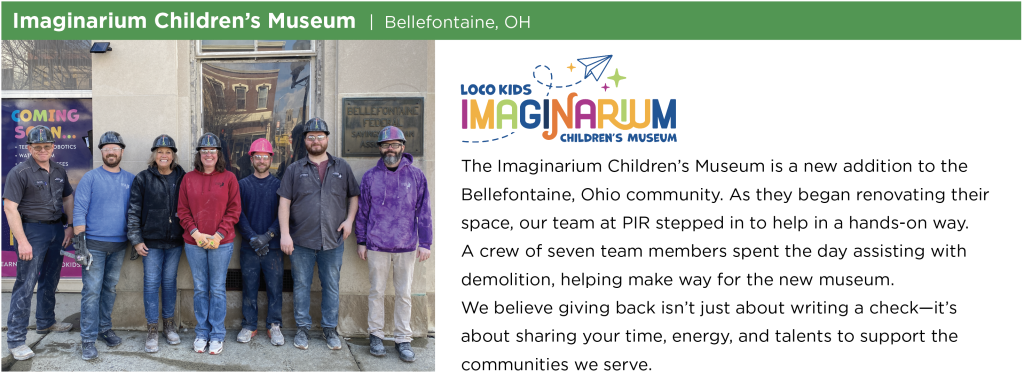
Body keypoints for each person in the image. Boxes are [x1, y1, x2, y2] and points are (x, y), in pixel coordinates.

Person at [277, 118, 359, 350]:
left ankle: (329, 329)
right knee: (301, 285)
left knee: (331, 285)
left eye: (320, 136)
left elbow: (354, 196)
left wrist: (349, 221)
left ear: (327, 139)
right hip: (300, 241)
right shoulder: (294, 169)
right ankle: (302, 329)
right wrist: (285, 234)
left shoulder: (341, 167)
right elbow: (284, 203)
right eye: (311, 137)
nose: (315, 140)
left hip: (333, 240)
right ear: (305, 141)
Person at [355, 126, 433, 362]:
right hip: (376, 245)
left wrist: (425, 242)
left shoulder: (416, 176)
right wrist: (361, 241)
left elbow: (424, 211)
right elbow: (363, 212)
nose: (390, 148)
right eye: (386, 145)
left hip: (407, 245)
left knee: (404, 294)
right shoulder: (370, 177)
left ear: (403, 147)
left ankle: (402, 338)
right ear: (380, 148)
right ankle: (376, 335)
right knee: (376, 292)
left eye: (395, 144)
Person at [2, 125, 75, 361]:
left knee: (50, 279)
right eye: (37, 147)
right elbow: (9, 208)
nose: (42, 150)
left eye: (47, 146)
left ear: (53, 147)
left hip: (56, 229)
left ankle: (45, 322)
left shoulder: (59, 170)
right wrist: (22, 241)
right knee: (25, 285)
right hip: (31, 231)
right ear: (29, 148)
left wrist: (70, 225)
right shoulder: (19, 172)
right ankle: (16, 340)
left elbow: (67, 197)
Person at [73, 131, 135, 360]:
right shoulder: (90, 178)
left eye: (115, 148)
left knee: (109, 289)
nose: (111, 152)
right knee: (91, 291)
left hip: (119, 246)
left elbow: (134, 212)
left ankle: (104, 329)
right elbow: (79, 210)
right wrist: (80, 245)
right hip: (93, 247)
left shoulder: (130, 179)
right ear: (101, 152)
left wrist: (135, 239)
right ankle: (88, 339)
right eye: (106, 148)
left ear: (121, 152)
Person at [177, 132, 240, 355]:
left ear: (218, 154)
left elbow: (234, 210)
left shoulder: (230, 178)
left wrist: (218, 235)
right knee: (201, 288)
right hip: (194, 242)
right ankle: (202, 332)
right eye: (204, 151)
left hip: (221, 243)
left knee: (217, 289)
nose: (208, 155)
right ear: (199, 155)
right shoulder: (188, 179)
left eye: (212, 151)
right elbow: (182, 210)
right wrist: (196, 233)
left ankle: (217, 335)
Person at [127, 134, 186, 353]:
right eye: (160, 152)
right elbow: (133, 210)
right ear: (154, 155)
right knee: (151, 284)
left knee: (170, 283)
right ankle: (152, 329)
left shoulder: (182, 177)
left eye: (168, 152)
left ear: (173, 156)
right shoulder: (143, 178)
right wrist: (136, 239)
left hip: (175, 242)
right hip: (149, 243)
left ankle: (169, 325)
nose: (164, 155)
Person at [235, 138, 285, 346]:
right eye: (258, 157)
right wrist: (252, 237)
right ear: (252, 159)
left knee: (275, 288)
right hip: (249, 248)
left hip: (273, 248)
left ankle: (274, 325)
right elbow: (238, 214)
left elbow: (284, 214)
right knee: (249, 288)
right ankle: (249, 325)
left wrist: (268, 236)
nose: (262, 160)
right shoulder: (242, 185)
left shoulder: (279, 186)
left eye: (265, 157)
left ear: (271, 159)